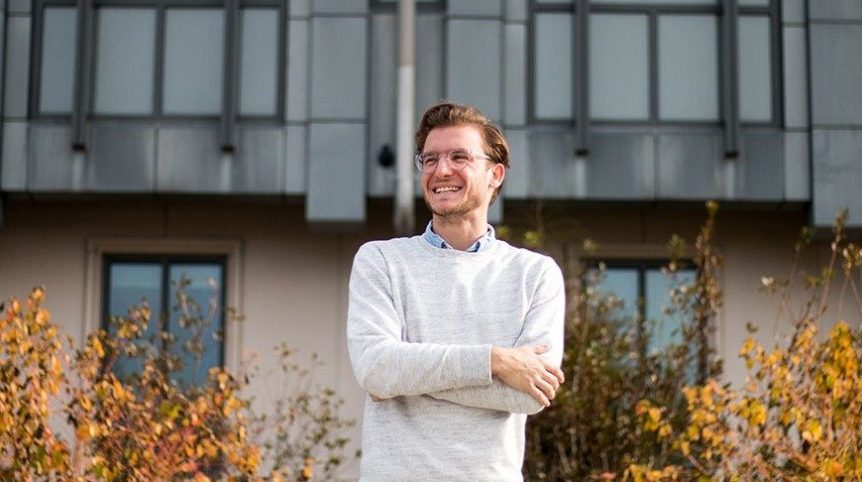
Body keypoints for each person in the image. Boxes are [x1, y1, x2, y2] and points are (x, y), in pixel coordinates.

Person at [346, 101, 566, 482]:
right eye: (429, 160)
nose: (440, 170)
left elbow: (528, 395)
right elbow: (375, 369)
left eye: (458, 156)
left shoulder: (535, 274)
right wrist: (495, 362)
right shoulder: (380, 260)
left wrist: (406, 379)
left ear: (495, 174)